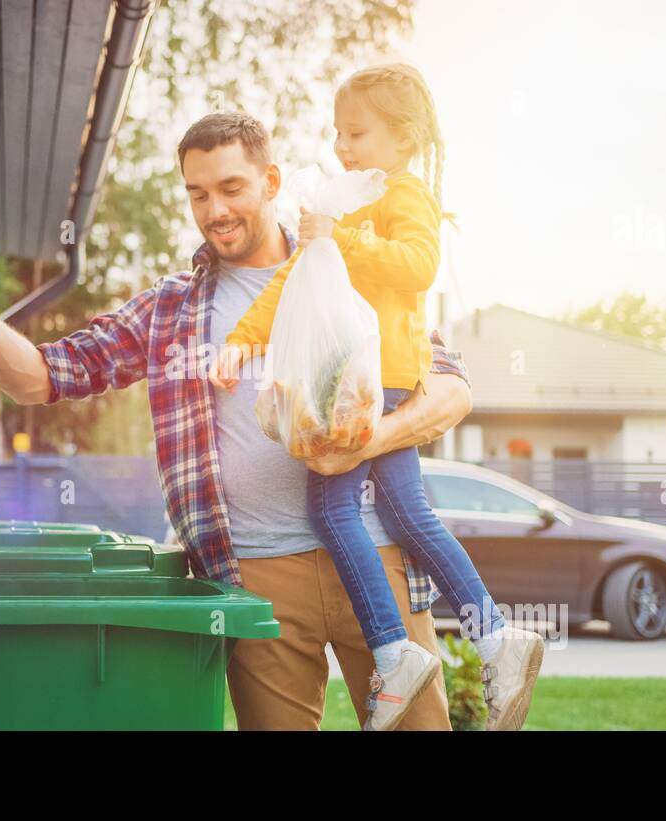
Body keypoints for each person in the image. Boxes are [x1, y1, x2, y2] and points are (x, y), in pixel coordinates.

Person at [0, 109, 471, 730]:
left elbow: (451, 391)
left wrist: (365, 441)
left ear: (271, 182)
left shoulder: (350, 267)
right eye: (197, 194)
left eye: (230, 188)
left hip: (376, 553)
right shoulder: (171, 309)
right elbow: (37, 377)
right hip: (254, 573)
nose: (214, 210)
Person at [213, 65, 543, 731]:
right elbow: (295, 279)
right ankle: (495, 638)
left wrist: (345, 235)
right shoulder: (351, 196)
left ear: (404, 135)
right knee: (408, 512)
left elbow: (418, 264)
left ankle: (395, 651)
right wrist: (244, 338)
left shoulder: (405, 193)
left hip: (382, 374)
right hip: (363, 371)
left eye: (357, 132)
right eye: (337, 132)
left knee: (332, 507)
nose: (342, 145)